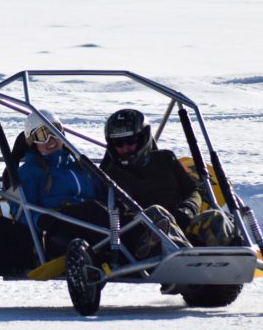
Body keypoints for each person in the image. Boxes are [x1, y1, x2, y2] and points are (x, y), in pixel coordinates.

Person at [101, 108, 236, 252]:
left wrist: (188, 209)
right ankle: (184, 258)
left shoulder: (166, 159)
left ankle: (236, 260)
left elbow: (193, 192)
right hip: (146, 232)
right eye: (118, 143)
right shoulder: (110, 175)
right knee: (157, 213)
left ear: (143, 138)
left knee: (217, 217)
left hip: (181, 221)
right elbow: (121, 213)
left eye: (130, 141)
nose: (125, 148)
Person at [11, 109, 111, 254]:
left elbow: (103, 193)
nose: (50, 140)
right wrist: (43, 220)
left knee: (118, 210)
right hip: (56, 231)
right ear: (33, 142)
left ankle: (145, 240)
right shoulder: (30, 172)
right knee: (93, 210)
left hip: (93, 225)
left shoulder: (79, 166)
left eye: (54, 131)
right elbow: (19, 212)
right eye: (42, 135)